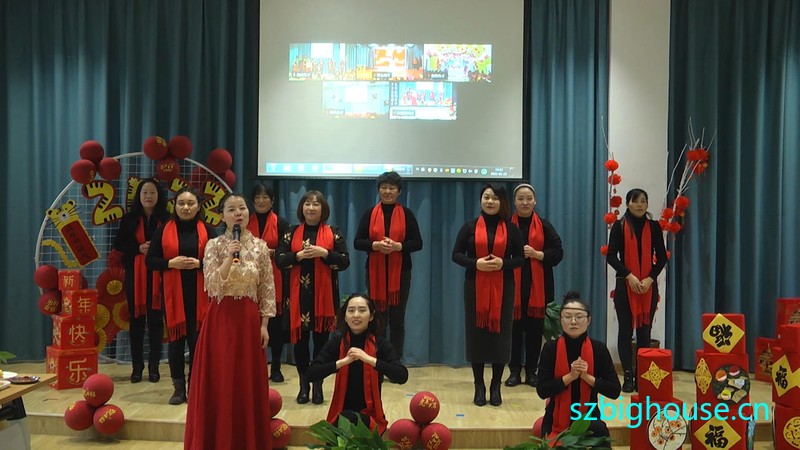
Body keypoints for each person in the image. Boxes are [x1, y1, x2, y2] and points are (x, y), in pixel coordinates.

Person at [184, 193, 276, 449]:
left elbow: (267, 288)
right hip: (221, 318)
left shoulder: (260, 246)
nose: (238, 213)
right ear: (222, 216)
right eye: (232, 209)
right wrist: (228, 257)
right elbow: (211, 284)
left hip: (249, 320)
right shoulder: (213, 245)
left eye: (242, 208)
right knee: (221, 379)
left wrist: (264, 325)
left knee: (246, 381)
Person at [452, 183, 524, 407]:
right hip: (474, 287)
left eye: (494, 198)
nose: (490, 201)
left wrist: (503, 263)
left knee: (500, 338)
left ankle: (495, 385)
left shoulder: (511, 229)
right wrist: (476, 263)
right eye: (486, 197)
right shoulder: (469, 227)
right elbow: (456, 255)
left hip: (505, 288)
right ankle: (479, 385)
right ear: (480, 200)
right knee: (477, 336)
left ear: (502, 201)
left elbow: (520, 259)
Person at [275, 190, 350, 405]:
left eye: (316, 204)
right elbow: (280, 260)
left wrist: (325, 254)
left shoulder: (333, 232)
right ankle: (303, 386)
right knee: (300, 344)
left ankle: (318, 386)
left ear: (323, 209)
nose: (311, 208)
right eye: (307, 204)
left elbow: (345, 261)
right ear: (302, 208)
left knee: (322, 344)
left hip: (324, 300)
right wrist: (298, 256)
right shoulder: (291, 232)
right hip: (297, 299)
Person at [146, 187, 217, 404]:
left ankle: (195, 386)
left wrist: (199, 264)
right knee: (176, 343)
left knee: (198, 343)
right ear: (174, 206)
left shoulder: (208, 230)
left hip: (201, 296)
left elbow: (219, 263)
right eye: (181, 203)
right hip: (173, 297)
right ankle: (178, 389)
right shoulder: (163, 230)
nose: (186, 207)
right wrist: (170, 263)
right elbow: (150, 261)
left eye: (190, 203)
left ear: (199, 206)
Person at [306, 293, 408, 433]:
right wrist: (342, 362)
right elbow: (310, 374)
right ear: (345, 316)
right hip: (341, 415)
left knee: (348, 418)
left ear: (371, 316)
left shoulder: (380, 344)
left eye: (362, 310)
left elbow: (402, 375)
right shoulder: (337, 342)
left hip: (371, 418)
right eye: (351, 310)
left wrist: (369, 359)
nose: (356, 315)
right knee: (344, 420)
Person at [353, 171, 423, 360]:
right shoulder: (370, 213)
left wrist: (399, 247)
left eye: (392, 188)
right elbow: (357, 242)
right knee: (378, 319)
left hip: (400, 273)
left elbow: (418, 243)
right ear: (378, 190)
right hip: (374, 272)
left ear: (399, 191)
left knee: (397, 320)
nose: (387, 191)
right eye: (384, 187)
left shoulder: (407, 214)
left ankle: (395, 360)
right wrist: (375, 246)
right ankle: (377, 359)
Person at [606, 188, 667, 393]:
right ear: (628, 204)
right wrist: (629, 275)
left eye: (643, 201)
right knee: (625, 330)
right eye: (635, 201)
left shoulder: (654, 227)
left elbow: (662, 257)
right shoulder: (619, 225)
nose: (640, 205)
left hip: (648, 286)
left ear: (647, 204)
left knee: (644, 331)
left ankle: (642, 375)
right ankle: (628, 376)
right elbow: (611, 256)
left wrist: (650, 279)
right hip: (626, 284)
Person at [536, 291, 621, 439]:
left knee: (600, 435)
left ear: (588, 320)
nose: (573, 321)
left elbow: (614, 391)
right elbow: (542, 391)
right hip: (555, 420)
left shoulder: (598, 349)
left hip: (589, 419)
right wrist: (570, 377)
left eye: (579, 317)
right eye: (568, 317)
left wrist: (587, 377)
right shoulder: (550, 348)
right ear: (561, 320)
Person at [506, 184, 563, 388]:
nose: (525, 202)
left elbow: (558, 252)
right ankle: (514, 371)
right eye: (521, 199)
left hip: (538, 289)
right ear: (514, 202)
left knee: (534, 332)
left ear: (535, 201)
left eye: (529, 199)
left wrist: (538, 254)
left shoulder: (544, 226)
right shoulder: (506, 225)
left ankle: (532, 371)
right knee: (513, 332)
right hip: (511, 288)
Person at [113, 178, 169, 383]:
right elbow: (118, 244)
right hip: (134, 274)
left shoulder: (167, 218)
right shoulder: (129, 218)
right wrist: (138, 248)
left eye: (152, 192)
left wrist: (154, 249)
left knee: (156, 321)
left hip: (159, 274)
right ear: (139, 195)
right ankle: (137, 367)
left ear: (159, 195)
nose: (148, 196)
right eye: (144, 192)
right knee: (136, 320)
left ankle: (154, 367)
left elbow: (172, 244)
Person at [246, 182, 290, 383]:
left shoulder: (281, 223)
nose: (261, 201)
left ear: (272, 201)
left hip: (276, 278)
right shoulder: (245, 222)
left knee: (276, 326)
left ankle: (276, 366)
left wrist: (270, 252)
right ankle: (255, 366)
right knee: (252, 324)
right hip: (250, 277)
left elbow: (287, 249)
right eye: (257, 197)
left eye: (265, 197)